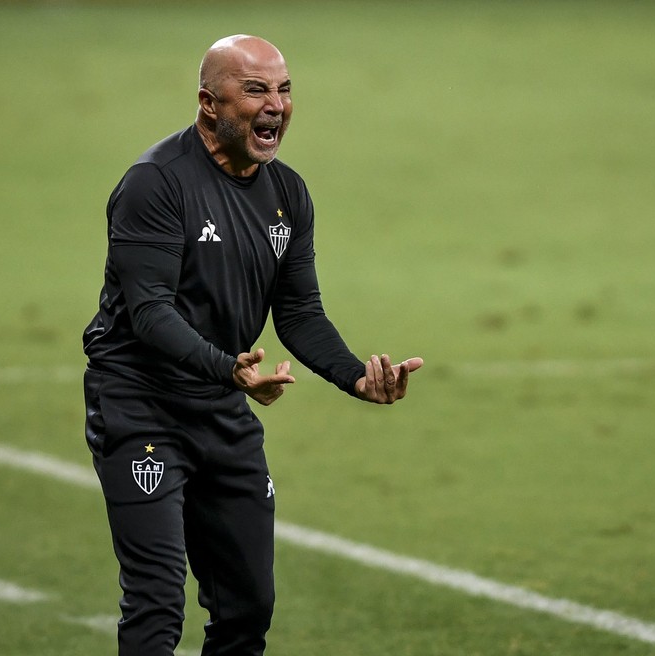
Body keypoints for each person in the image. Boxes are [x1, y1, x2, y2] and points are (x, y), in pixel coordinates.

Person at [81, 34, 423, 656]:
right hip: (141, 406)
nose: (277, 105)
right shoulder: (155, 184)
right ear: (210, 104)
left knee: (249, 607)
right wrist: (228, 370)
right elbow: (150, 312)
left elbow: (298, 311)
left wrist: (355, 377)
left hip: (220, 407)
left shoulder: (287, 194)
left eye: (285, 90)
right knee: (157, 603)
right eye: (257, 90)